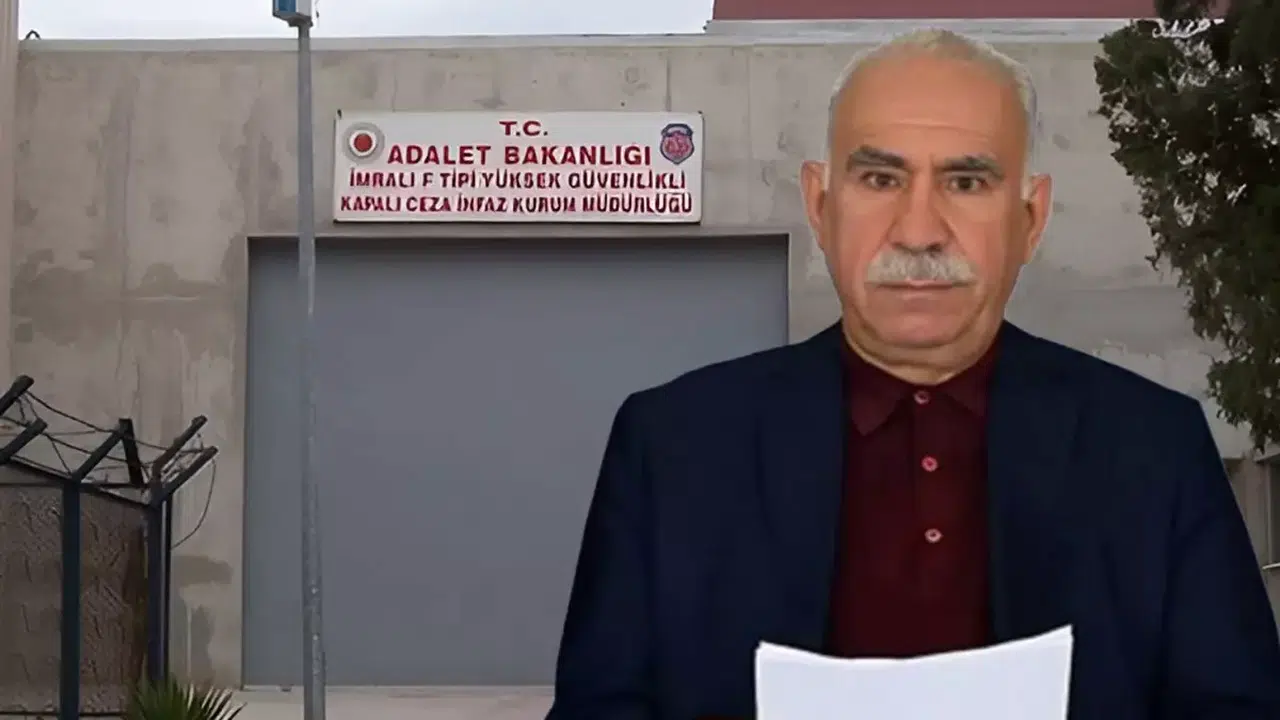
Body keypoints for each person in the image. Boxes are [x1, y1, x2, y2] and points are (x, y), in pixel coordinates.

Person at [546, 29, 1280, 720]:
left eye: (966, 181)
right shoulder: (672, 448)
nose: (920, 231)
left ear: (1030, 219)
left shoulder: (1154, 449)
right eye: (879, 178)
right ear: (820, 206)